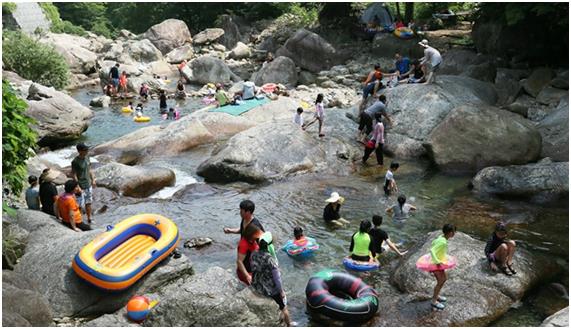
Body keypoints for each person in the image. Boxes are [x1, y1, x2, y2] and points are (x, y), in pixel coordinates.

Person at [250, 237, 293, 326]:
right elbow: (277, 279)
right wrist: (281, 292)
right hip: (268, 289)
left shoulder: (253, 254)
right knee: (284, 306)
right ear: (268, 247)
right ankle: (289, 325)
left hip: (256, 285)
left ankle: (282, 320)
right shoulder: (270, 259)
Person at [429, 223, 456, 310]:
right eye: (454, 231)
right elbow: (432, 250)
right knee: (441, 280)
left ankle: (436, 296)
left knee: (442, 280)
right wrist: (437, 261)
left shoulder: (441, 237)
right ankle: (434, 300)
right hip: (436, 264)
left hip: (437, 262)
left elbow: (433, 243)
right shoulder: (443, 242)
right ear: (450, 233)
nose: (454, 233)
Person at [71, 143, 96, 224]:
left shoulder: (87, 158)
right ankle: (80, 220)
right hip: (81, 186)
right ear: (79, 151)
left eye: (87, 149)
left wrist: (93, 180)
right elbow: (74, 175)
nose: (87, 151)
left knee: (88, 202)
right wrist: (77, 186)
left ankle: (89, 218)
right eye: (85, 150)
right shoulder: (75, 161)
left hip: (88, 184)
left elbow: (89, 170)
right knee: (80, 205)